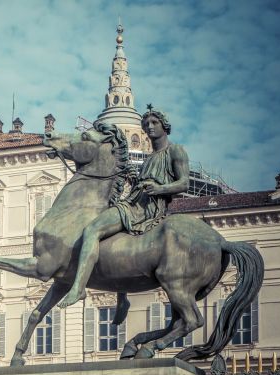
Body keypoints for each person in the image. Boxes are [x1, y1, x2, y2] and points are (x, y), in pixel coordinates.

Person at [59, 105, 190, 308]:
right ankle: (122, 299)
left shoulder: (175, 151)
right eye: (146, 124)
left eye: (154, 123)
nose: (149, 127)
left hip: (145, 208)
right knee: (115, 244)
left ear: (165, 126)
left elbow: (184, 183)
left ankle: (78, 288)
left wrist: (160, 188)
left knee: (93, 229)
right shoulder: (151, 157)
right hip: (134, 201)